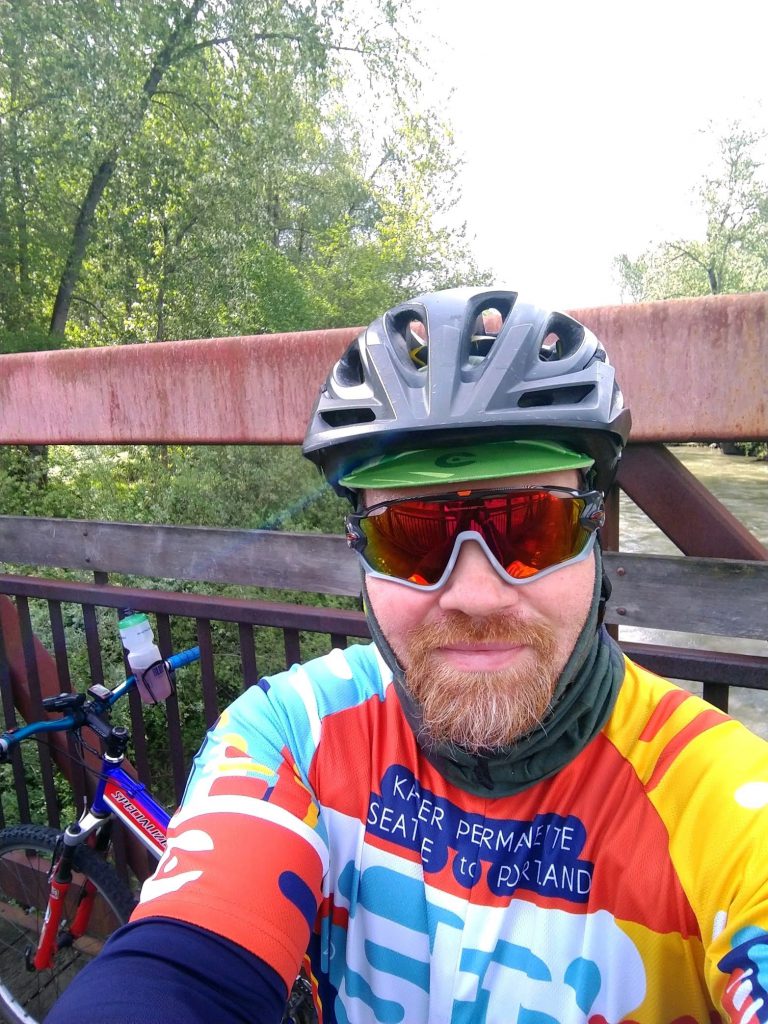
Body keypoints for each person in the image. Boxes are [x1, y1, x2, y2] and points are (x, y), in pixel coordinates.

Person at [48, 287, 768, 1023]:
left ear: (592, 535)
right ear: (358, 555)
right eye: (412, 536)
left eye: (533, 526)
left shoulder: (724, 802)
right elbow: (181, 972)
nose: (477, 595)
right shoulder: (293, 734)